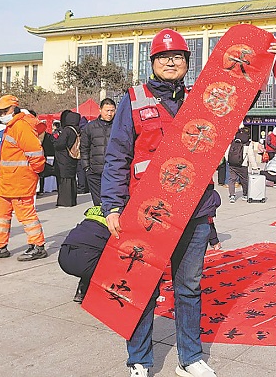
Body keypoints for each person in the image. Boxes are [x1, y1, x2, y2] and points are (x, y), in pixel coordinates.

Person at [102, 28, 231, 377]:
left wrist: (262, 64)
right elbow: (116, 156)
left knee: (189, 287)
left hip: (195, 211)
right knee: (142, 287)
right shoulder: (134, 99)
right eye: (163, 56)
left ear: (187, 62)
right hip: (148, 212)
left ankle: (190, 358)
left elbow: (238, 100)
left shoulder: (201, 99)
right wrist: (112, 206)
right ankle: (139, 360)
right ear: (152, 62)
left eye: (177, 56)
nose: (170, 62)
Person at [0, 95, 48, 261]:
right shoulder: (13, 126)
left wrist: (35, 172)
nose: (1, 114)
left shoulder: (21, 126)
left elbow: (35, 153)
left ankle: (38, 246)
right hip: (9, 181)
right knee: (1, 213)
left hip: (19, 181)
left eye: (4, 111)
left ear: (15, 109)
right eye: (0, 112)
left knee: (26, 215)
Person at [58, 205, 111, 303]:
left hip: (64, 256)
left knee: (92, 252)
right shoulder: (118, 216)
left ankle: (81, 291)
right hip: (84, 262)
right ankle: (98, 293)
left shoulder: (95, 210)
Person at [80, 98, 116, 206]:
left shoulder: (118, 126)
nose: (109, 114)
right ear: (100, 110)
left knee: (113, 203)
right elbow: (84, 148)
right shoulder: (90, 127)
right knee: (98, 203)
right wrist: (86, 167)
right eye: (107, 110)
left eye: (112, 111)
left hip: (114, 171)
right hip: (95, 172)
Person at [54, 109, 81, 207]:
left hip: (64, 158)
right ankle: (72, 200)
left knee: (64, 180)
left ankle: (65, 201)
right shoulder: (78, 129)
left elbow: (60, 144)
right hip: (73, 157)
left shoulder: (67, 130)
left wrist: (54, 142)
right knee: (72, 179)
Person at [226, 126, 258, 203]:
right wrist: (254, 166)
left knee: (232, 180)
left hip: (232, 163)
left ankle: (232, 196)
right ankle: (245, 195)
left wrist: (229, 160)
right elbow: (250, 155)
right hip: (243, 164)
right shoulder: (248, 143)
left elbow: (227, 151)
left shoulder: (234, 140)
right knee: (244, 180)